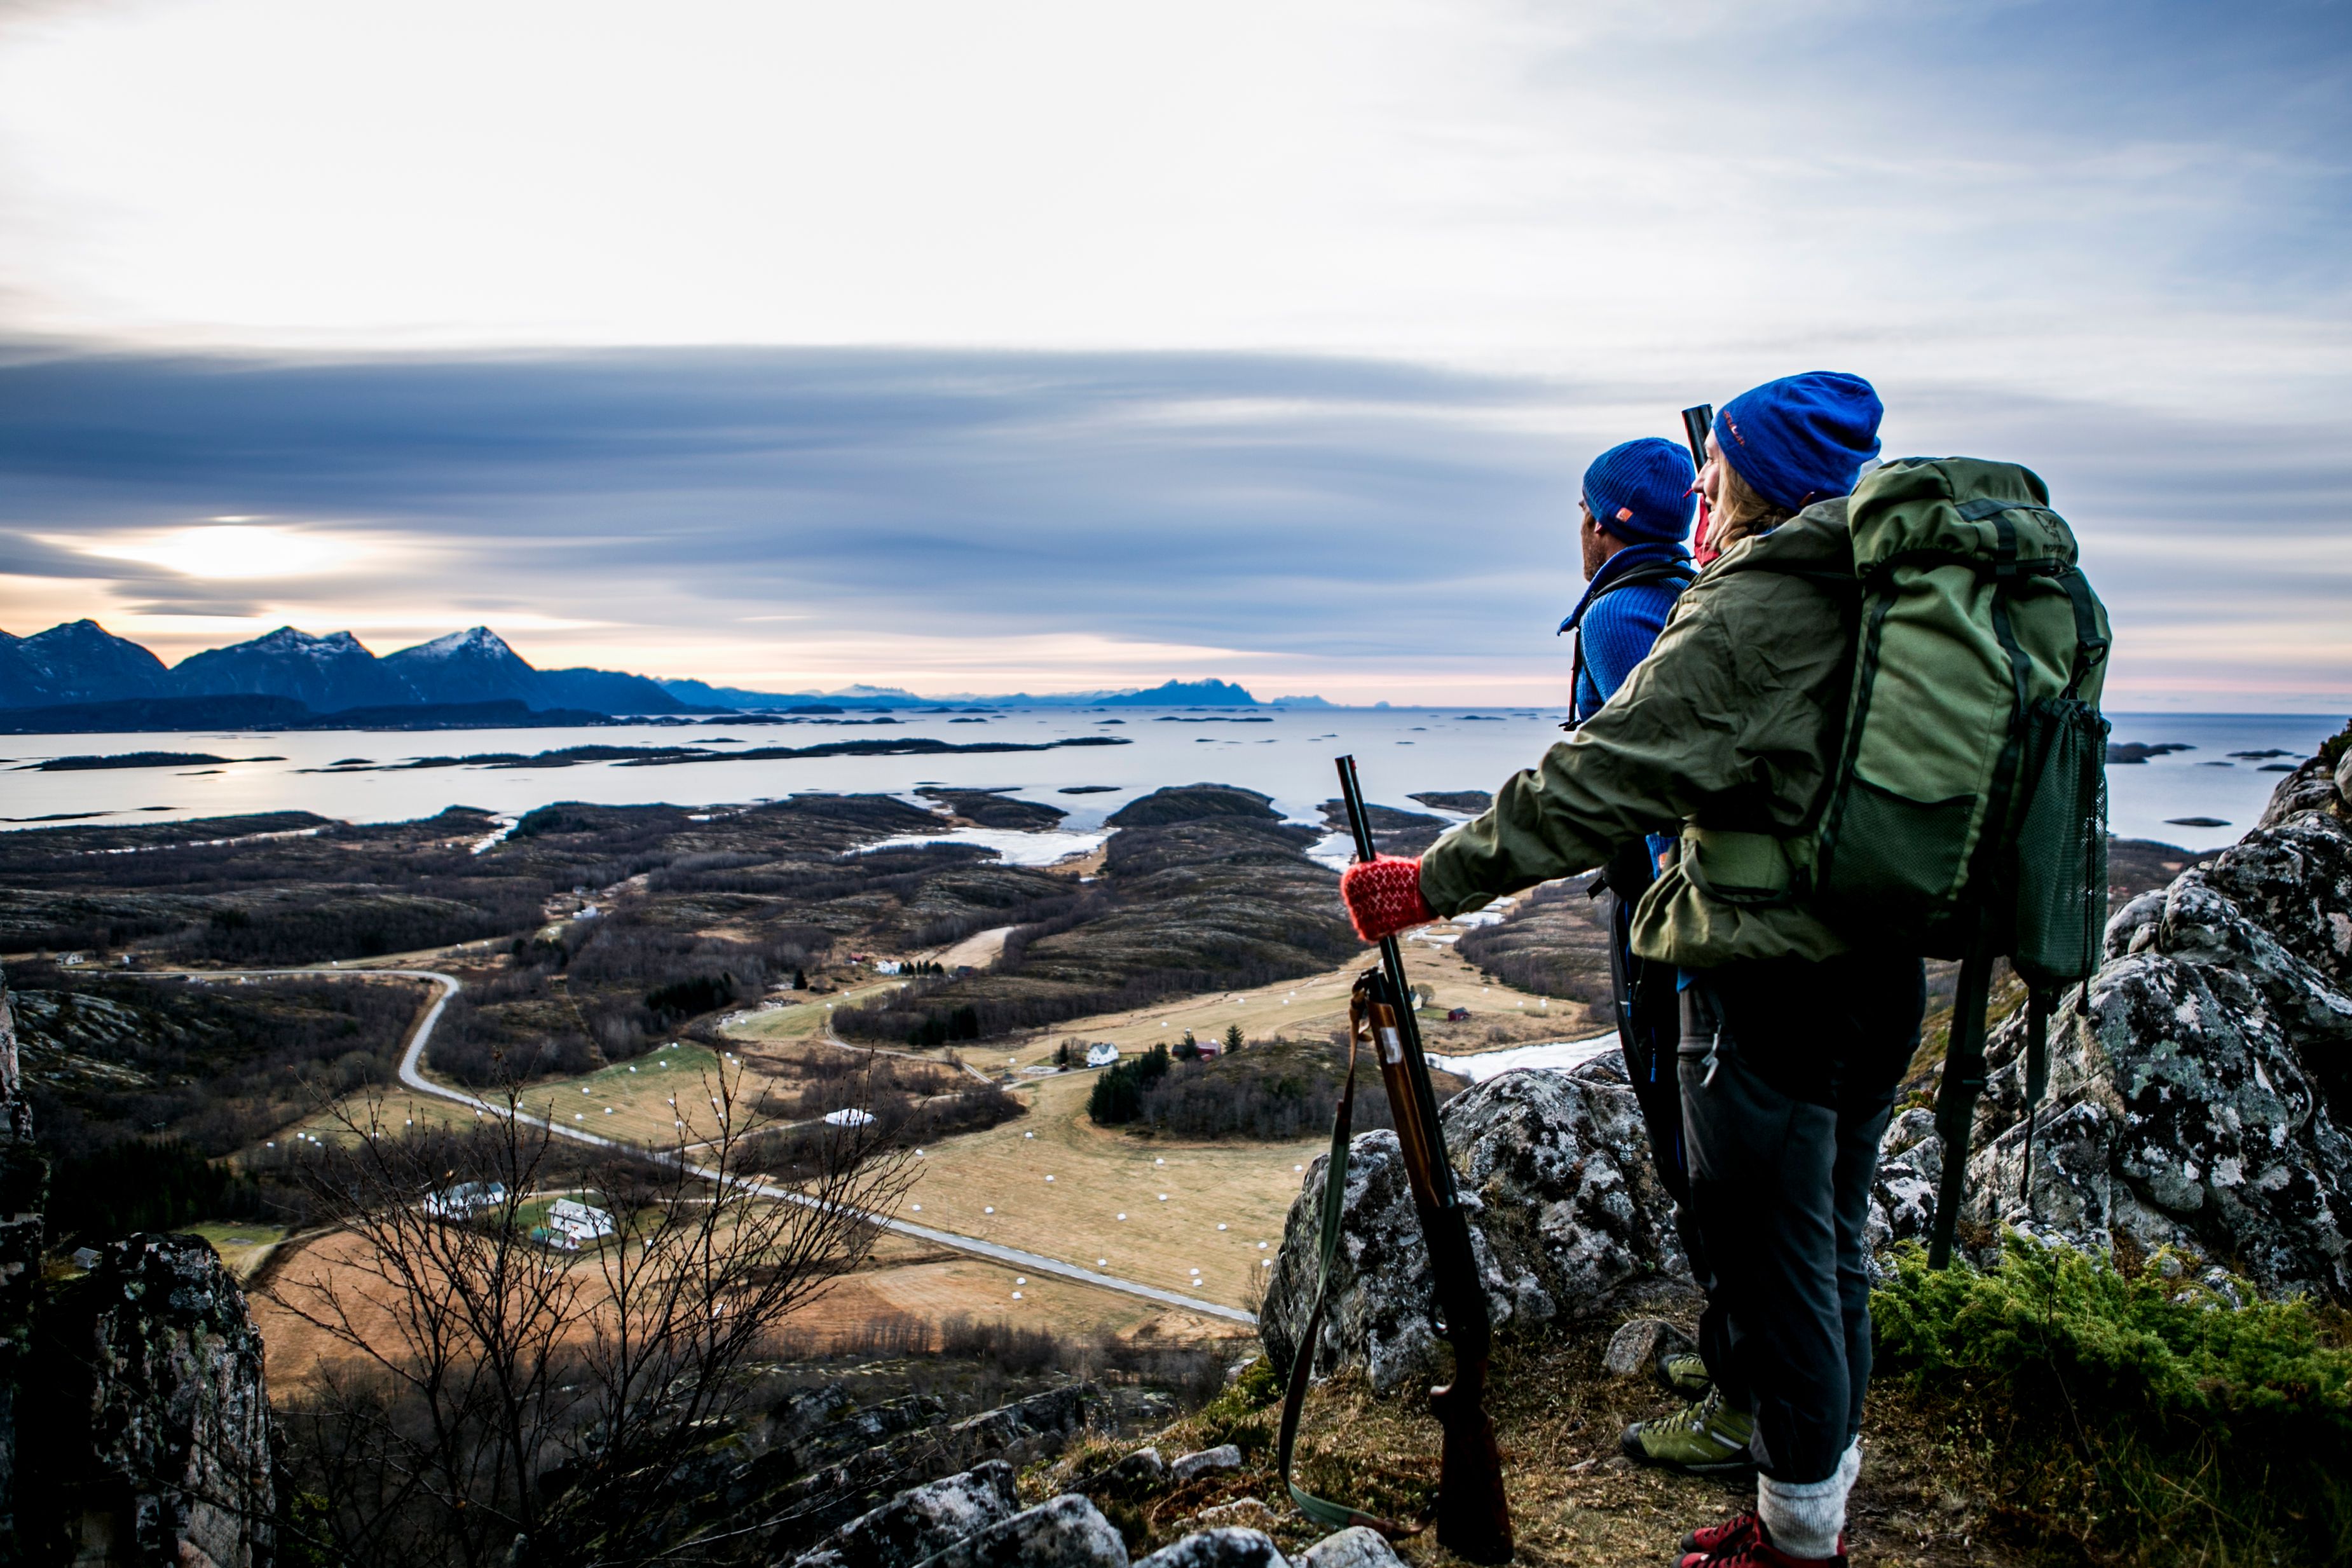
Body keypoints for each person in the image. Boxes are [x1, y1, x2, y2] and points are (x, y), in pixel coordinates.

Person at [1341, 371, 1911, 1568]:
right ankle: (1813, 1497)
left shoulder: (1754, 606)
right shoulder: (1873, 592)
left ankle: (1800, 1540)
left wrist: (1428, 883)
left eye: (1718, 466)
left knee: (1778, 1259)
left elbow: (1600, 778)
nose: (1700, 480)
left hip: (1770, 980)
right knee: (1834, 1241)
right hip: (1876, 966)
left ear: (1757, 478)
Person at [1557, 437, 1711, 1410]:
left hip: (1667, 921)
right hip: (1704, 910)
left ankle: (1738, 1355)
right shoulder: (1691, 595)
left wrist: (1669, 933)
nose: (1575, 530)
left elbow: (1650, 787)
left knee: (1678, 1118)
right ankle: (1748, 1341)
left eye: (1581, 511)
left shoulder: (1618, 614)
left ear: (1607, 525)